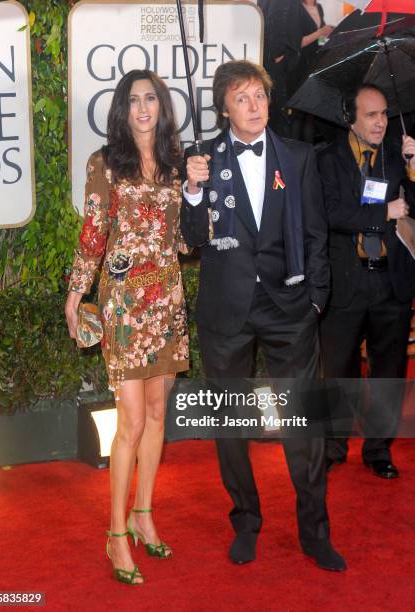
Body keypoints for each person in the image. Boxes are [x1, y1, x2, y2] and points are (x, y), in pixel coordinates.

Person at [180, 59, 346, 571]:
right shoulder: (202, 159)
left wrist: (317, 299)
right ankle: (246, 519)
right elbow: (191, 239)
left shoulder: (298, 157)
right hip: (225, 311)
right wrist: (191, 192)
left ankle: (314, 532)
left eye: (260, 96)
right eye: (242, 98)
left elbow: (317, 234)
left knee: (305, 426)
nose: (254, 106)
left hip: (291, 308)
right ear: (224, 108)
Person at [65, 69, 189, 585]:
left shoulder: (178, 164)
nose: (144, 108)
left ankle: (143, 512)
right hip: (124, 306)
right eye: (135, 100)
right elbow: (93, 232)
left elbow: (187, 235)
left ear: (162, 106)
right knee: (132, 420)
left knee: (159, 412)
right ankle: (116, 532)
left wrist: (201, 192)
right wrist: (76, 296)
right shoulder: (106, 164)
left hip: (167, 299)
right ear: (123, 109)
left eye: (152, 99)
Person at [317, 84, 415, 478]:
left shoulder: (398, 155)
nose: (380, 122)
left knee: (389, 372)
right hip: (346, 281)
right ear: (351, 118)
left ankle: (378, 450)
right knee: (338, 371)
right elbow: (332, 214)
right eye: (371, 115)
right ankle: (333, 446)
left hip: (390, 283)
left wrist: (413, 168)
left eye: (384, 114)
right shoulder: (328, 159)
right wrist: (383, 213)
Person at [288, 0, 333, 143]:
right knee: (298, 113)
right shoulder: (295, 7)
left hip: (315, 65)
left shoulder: (318, 7)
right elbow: (296, 43)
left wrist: (327, 39)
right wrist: (320, 32)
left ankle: (308, 157)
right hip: (299, 67)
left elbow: (318, 41)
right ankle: (294, 156)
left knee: (310, 113)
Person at [259, 0, 304, 136]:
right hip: (276, 64)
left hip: (272, 61)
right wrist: (278, 54)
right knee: (277, 115)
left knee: (274, 113)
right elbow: (276, 20)